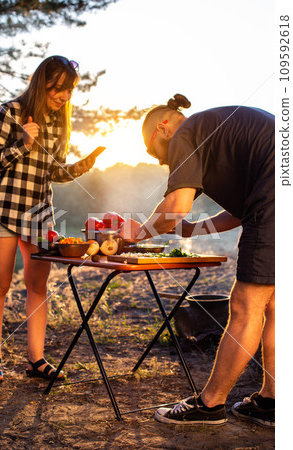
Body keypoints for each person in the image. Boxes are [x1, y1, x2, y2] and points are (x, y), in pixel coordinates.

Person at [118, 94, 275, 428]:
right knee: (274, 306)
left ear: (162, 128)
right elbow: (239, 212)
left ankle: (210, 405)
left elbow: (175, 206)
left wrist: (138, 233)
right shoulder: (215, 133)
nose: (163, 162)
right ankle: (272, 401)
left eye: (154, 153)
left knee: (246, 307)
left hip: (276, 198)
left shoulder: (186, 133)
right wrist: (192, 229)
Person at [0, 55, 100, 382]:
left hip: (38, 214)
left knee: (37, 286)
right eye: (58, 89)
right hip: (2, 210)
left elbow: (55, 172)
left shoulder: (61, 122)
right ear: (41, 83)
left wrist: (81, 166)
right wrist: (22, 143)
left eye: (69, 91)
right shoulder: (8, 113)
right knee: (0, 285)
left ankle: (36, 359)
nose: (64, 96)